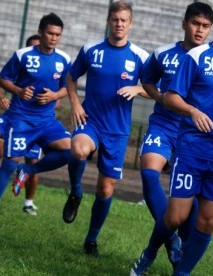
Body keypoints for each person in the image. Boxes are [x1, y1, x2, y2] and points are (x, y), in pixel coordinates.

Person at [130, 5, 213, 275]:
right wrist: (193, 111)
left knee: (208, 222)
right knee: (176, 216)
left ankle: (182, 273)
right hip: (191, 149)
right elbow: (171, 96)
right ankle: (150, 253)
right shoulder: (197, 57)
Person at [63, 1, 149, 257]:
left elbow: (160, 90)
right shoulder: (91, 49)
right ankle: (76, 191)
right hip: (90, 120)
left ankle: (91, 240)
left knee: (105, 189)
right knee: (78, 150)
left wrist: (138, 89)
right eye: (115, 19)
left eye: (124, 20)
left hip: (118, 131)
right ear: (108, 21)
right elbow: (70, 77)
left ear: (130, 23)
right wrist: (75, 103)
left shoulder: (141, 57)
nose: (119, 24)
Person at [0, 13, 82, 227]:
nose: (54, 38)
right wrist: (18, 90)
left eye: (58, 34)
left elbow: (68, 87)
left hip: (47, 121)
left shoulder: (64, 59)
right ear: (40, 31)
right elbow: (2, 79)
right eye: (50, 33)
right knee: (9, 165)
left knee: (72, 149)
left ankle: (30, 170)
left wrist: (55, 96)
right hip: (21, 120)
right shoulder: (23, 55)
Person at [139, 2, 213, 267]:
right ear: (184, 23)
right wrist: (159, 96)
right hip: (163, 126)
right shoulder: (163, 54)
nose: (199, 30)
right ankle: (169, 238)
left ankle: (179, 245)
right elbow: (147, 79)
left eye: (205, 26)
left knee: (190, 207)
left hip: (193, 136)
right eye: (195, 24)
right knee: (149, 173)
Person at [0, 34, 43, 216]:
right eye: (31, 47)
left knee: (32, 161)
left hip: (35, 120)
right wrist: (1, 97)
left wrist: (46, 99)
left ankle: (29, 203)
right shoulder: (21, 63)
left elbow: (57, 101)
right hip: (13, 115)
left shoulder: (49, 70)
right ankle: (13, 167)